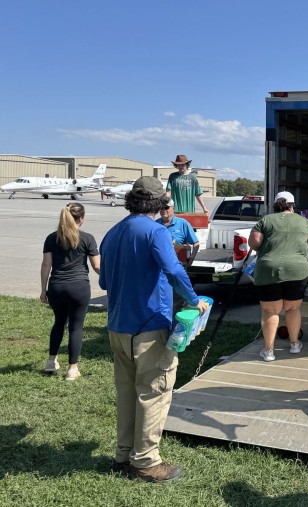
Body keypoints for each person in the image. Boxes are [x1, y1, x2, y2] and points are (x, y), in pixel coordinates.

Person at [99, 176, 208, 483]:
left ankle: (124, 454)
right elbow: (174, 269)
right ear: (160, 204)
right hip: (149, 328)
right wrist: (193, 298)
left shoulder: (112, 232)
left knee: (127, 393)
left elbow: (104, 282)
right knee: (154, 391)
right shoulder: (156, 232)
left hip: (118, 327)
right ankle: (146, 461)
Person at [248, 191, 308, 362]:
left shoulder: (265, 221)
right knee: (292, 308)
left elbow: (254, 243)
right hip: (298, 270)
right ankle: (294, 345)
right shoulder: (304, 222)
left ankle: (268, 351)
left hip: (268, 270)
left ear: (275, 205)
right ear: (292, 206)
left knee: (270, 311)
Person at [40, 203, 100, 381]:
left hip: (56, 287)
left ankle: (51, 361)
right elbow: (96, 266)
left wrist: (43, 289)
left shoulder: (52, 238)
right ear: (81, 218)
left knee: (59, 322)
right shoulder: (87, 238)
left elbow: (46, 265)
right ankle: (72, 369)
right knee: (76, 326)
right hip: (78, 287)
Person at [156, 198, 200, 268]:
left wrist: (190, 260)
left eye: (166, 208)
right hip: (159, 267)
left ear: (173, 208)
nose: (163, 210)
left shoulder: (183, 223)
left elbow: (196, 243)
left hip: (178, 266)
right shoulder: (155, 224)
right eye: (161, 208)